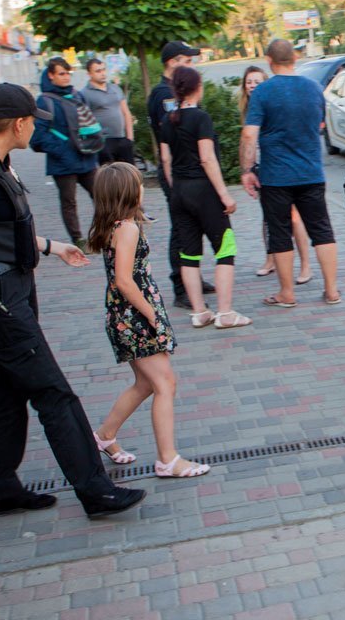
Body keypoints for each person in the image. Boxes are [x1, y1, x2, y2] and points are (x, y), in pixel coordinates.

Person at [0, 83, 145, 519]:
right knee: (53, 391)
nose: (34, 132)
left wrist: (52, 246)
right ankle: (96, 491)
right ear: (20, 123)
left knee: (8, 389)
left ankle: (2, 487)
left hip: (12, 288)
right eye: (33, 123)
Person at [86, 162, 211, 479]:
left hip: (123, 316)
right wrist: (152, 314)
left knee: (146, 383)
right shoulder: (126, 228)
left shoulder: (115, 225)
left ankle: (104, 436)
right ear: (128, 192)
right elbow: (125, 281)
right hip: (136, 316)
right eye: (139, 183)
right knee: (165, 383)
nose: (142, 187)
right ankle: (168, 459)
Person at [240, 39, 340, 308]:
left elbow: (249, 135)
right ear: (294, 59)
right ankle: (331, 290)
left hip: (276, 176)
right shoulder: (314, 88)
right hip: (312, 173)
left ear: (269, 61)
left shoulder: (263, 92)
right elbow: (320, 122)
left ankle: (287, 293)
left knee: (280, 232)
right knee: (322, 230)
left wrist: (248, 170)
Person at [159, 66, 252, 330]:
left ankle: (199, 311)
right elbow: (207, 158)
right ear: (198, 87)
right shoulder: (200, 118)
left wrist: (176, 186)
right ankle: (225, 313)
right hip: (204, 192)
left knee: (188, 253)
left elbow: (165, 159)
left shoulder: (168, 120)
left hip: (180, 192)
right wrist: (224, 195)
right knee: (225, 248)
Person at [147, 41, 214, 308]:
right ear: (173, 63)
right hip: (176, 172)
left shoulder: (172, 92)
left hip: (184, 172)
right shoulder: (164, 94)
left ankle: (193, 278)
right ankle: (181, 287)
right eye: (187, 61)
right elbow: (175, 136)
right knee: (182, 231)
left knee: (192, 228)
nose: (192, 67)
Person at [237, 65, 313, 283]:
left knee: (293, 216)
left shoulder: (272, 102)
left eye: (257, 81)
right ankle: (270, 259)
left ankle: (305, 264)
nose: (252, 85)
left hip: (281, 168)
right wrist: (249, 168)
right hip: (262, 168)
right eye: (249, 82)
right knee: (268, 216)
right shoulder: (248, 108)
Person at [30, 57, 99, 248]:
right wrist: (63, 149)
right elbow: (38, 138)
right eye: (61, 73)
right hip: (63, 163)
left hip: (86, 157)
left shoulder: (76, 94)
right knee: (69, 202)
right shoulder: (44, 101)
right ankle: (78, 239)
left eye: (68, 73)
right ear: (51, 75)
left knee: (101, 195)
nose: (66, 77)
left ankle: (103, 233)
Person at [80, 59, 136, 166]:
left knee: (130, 175)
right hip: (104, 141)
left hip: (122, 139)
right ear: (89, 74)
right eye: (98, 71)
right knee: (110, 177)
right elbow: (84, 120)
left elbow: (126, 113)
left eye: (103, 70)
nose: (102, 73)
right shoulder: (85, 93)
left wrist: (129, 138)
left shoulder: (115, 88)